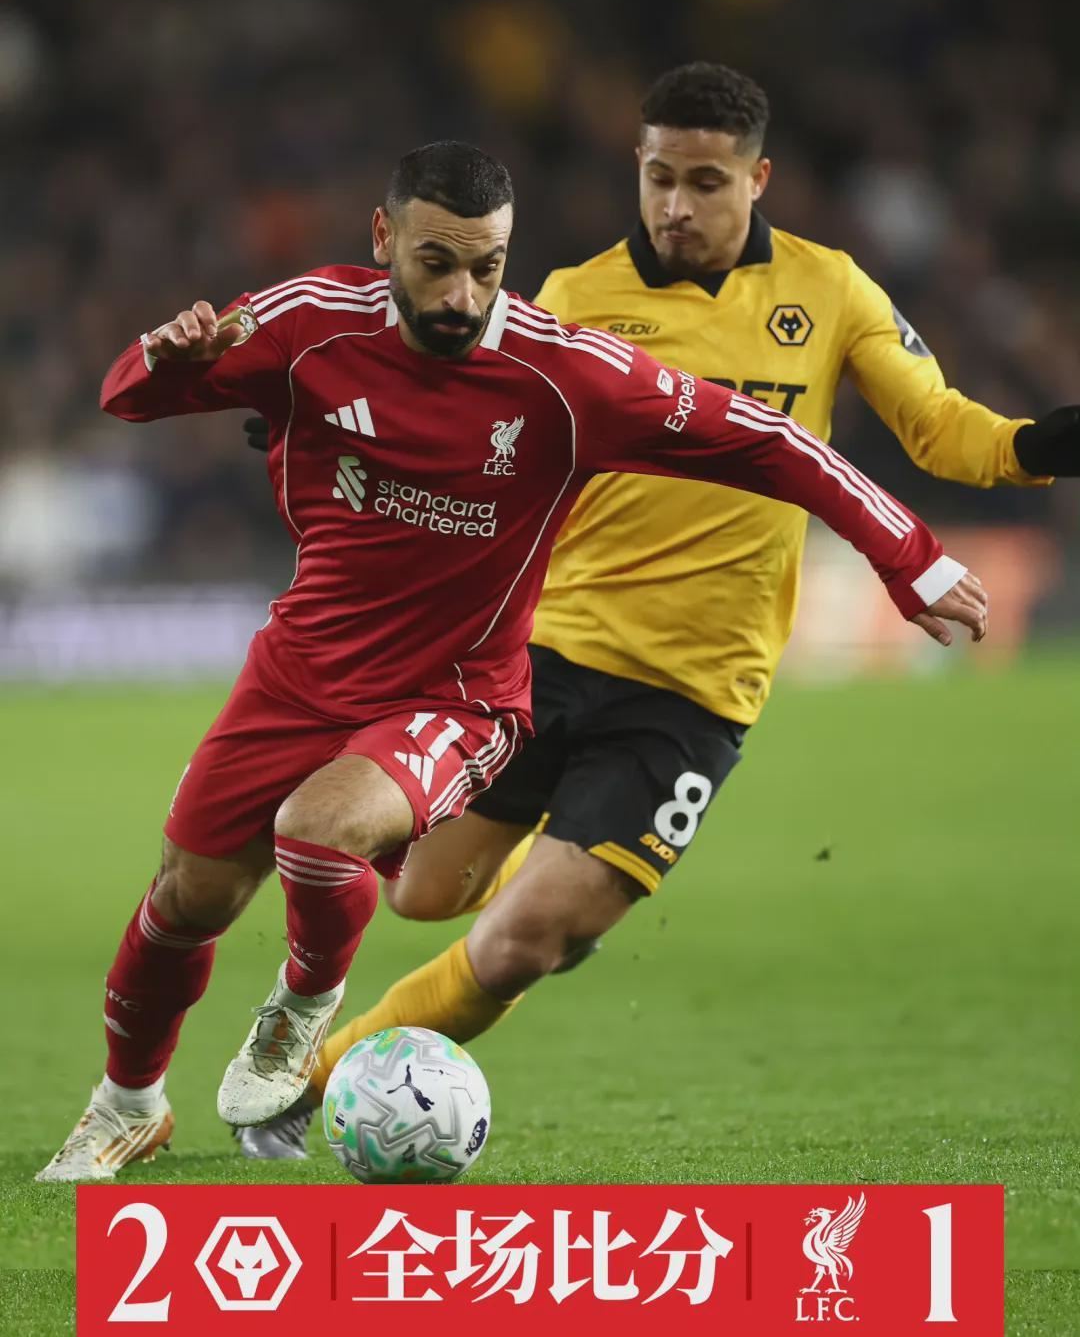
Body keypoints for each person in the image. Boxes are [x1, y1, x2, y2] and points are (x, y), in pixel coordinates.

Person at [36, 138, 982, 1182]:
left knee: (318, 831)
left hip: (458, 693)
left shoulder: (567, 375)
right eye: (437, 262)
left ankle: (300, 1012)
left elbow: (768, 439)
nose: (462, 294)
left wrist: (911, 557)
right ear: (384, 238)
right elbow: (128, 396)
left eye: (486, 266)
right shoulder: (309, 323)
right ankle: (128, 1104)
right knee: (187, 898)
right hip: (299, 670)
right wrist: (162, 360)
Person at [237, 62, 1078, 1161]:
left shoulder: (829, 291)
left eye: (706, 182)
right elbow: (463, 417)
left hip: (693, 694)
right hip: (544, 652)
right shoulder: (574, 297)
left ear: (757, 179)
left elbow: (945, 430)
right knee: (426, 897)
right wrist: (320, 417)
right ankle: (514, 885)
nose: (677, 205)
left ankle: (313, 1083)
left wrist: (1042, 446)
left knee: (523, 940)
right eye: (659, 177)